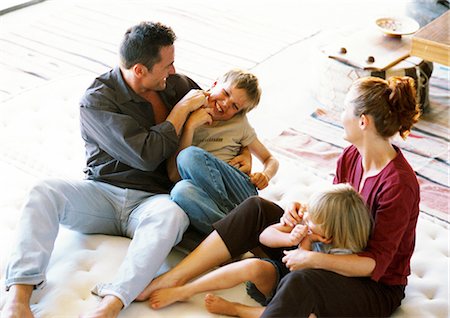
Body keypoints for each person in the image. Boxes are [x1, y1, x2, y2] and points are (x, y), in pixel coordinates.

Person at [1, 21, 250, 318]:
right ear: (140, 70)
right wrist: (181, 111)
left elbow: (225, 115)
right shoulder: (97, 100)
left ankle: (112, 302)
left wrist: (246, 151)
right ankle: (19, 296)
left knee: (173, 214)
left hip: (153, 201)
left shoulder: (177, 85)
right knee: (44, 191)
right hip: (101, 194)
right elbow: (145, 155)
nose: (173, 71)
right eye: (167, 65)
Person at [140, 75, 421, 317]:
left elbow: (375, 264)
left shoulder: (398, 185)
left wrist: (312, 260)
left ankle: (282, 292)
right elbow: (334, 209)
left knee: (302, 282)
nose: (340, 115)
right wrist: (304, 215)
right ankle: (172, 279)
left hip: (373, 286)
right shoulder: (350, 156)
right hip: (329, 252)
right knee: (256, 208)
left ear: (363, 122)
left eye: (345, 108)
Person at [148, 183, 371, 316]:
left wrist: (307, 246)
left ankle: (237, 310)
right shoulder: (308, 223)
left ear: (329, 236)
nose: (306, 221)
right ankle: (184, 290)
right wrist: (289, 236)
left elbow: (302, 283)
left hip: (300, 296)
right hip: (279, 280)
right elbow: (264, 236)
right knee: (252, 266)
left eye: (312, 223)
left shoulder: (343, 258)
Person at [168, 69, 279, 235]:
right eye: (225, 93)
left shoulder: (239, 124)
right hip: (204, 194)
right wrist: (190, 126)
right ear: (214, 84)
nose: (226, 104)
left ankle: (241, 217)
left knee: (188, 155)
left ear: (239, 112)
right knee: (180, 191)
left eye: (235, 106)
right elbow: (174, 176)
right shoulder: (188, 107)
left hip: (238, 188)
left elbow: (270, 159)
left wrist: (266, 175)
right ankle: (235, 236)